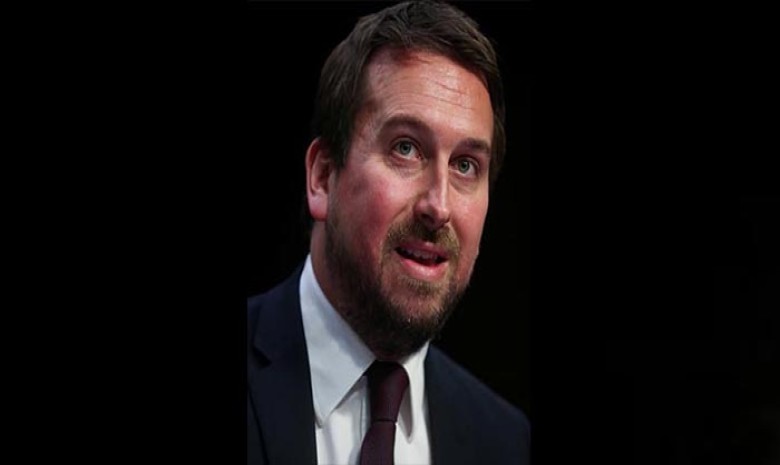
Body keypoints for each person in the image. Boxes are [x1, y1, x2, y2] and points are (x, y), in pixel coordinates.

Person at [247, 1, 530, 464]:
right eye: (406, 148)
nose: (438, 206)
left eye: (465, 165)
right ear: (322, 176)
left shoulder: (505, 441)